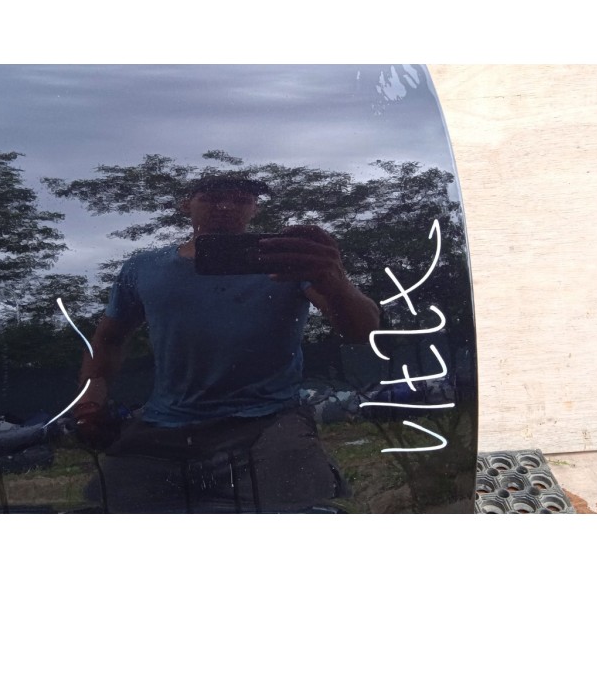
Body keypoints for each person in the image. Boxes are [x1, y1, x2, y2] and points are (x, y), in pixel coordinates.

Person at [74, 174, 380, 512]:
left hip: (268, 417)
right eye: (211, 198)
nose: (226, 206)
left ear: (254, 209)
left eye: (240, 200)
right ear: (186, 204)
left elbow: (363, 331)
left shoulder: (286, 262)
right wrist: (91, 397)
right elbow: (108, 339)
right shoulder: (144, 268)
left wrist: (335, 281)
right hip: (164, 422)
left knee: (298, 509)